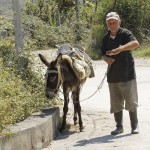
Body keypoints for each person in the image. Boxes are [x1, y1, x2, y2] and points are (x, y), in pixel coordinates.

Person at [101, 12, 139, 135]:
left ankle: (134, 126)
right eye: (109, 22)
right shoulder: (106, 38)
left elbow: (135, 43)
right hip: (112, 76)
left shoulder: (125, 33)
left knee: (131, 101)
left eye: (114, 22)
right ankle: (119, 127)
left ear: (119, 22)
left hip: (127, 74)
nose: (112, 24)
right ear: (107, 24)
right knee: (116, 103)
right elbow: (103, 54)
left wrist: (121, 48)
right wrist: (106, 59)